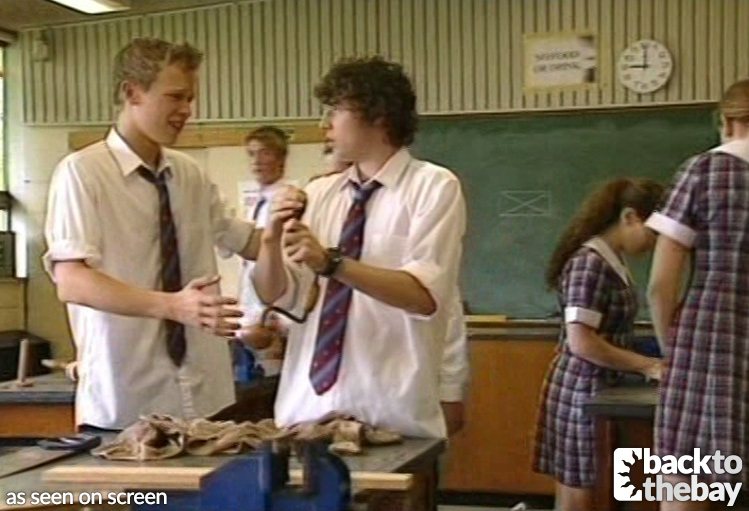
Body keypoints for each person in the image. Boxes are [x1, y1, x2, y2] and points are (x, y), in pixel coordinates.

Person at [43, 38, 259, 431]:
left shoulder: (189, 175)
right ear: (132, 93)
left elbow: (246, 240)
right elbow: (72, 281)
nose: (187, 110)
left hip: (205, 399)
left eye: (190, 98)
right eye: (175, 97)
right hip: (126, 404)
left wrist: (296, 228)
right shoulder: (82, 173)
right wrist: (173, 306)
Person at [252, 55, 466, 439]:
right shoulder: (319, 193)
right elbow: (278, 296)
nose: (325, 124)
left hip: (390, 416)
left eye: (335, 110)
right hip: (305, 412)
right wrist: (270, 239)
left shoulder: (434, 187)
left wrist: (333, 264)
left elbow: (423, 297)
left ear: (378, 115)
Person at [319, 143, 470, 436]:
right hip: (330, 397)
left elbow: (443, 307)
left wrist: (450, 387)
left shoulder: (422, 193)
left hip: (397, 395)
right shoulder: (321, 206)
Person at [647, 79, 749, 511]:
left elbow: (660, 284)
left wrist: (671, 348)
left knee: (685, 482)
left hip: (708, 345)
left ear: (726, 120)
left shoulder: (704, 171)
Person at [533, 178, 664, 511]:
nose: (655, 244)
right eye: (653, 232)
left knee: (594, 487)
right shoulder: (590, 263)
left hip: (600, 387)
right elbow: (581, 342)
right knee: (582, 491)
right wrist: (648, 365)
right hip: (582, 388)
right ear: (630, 217)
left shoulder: (612, 261)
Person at [235, 126, 292, 378]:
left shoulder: (286, 200)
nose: (256, 161)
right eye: (251, 154)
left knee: (273, 379)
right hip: (252, 303)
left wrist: (275, 311)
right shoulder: (257, 202)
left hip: (273, 309)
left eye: (265, 153)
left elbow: (284, 257)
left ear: (280, 159)